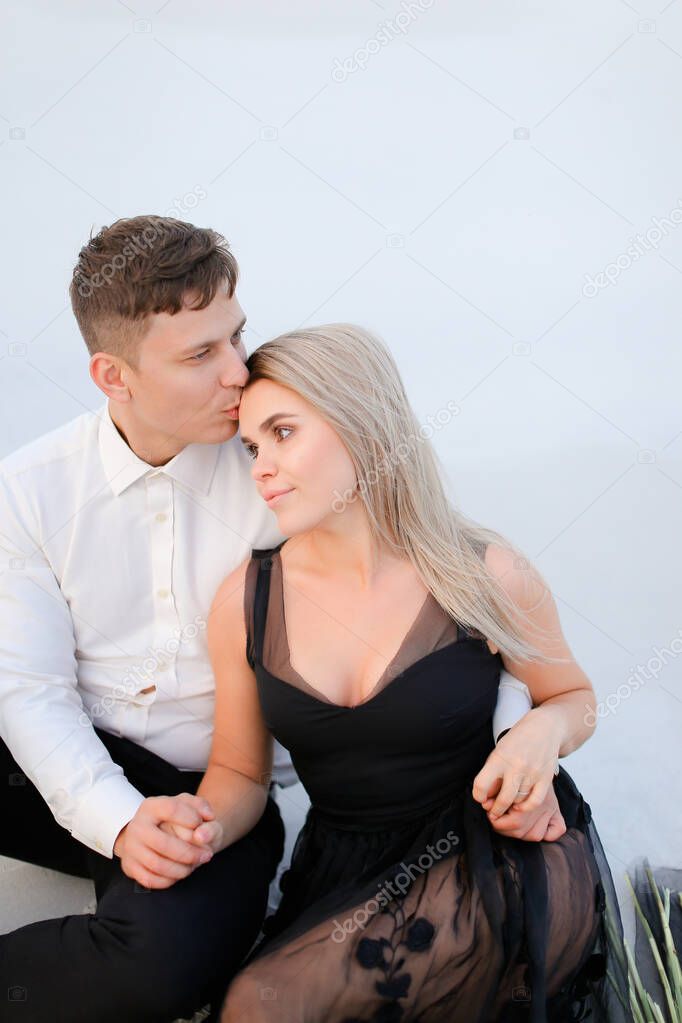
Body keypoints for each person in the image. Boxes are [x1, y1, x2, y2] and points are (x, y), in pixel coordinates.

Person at [0, 217, 539, 1023]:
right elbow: (29, 693)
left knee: (164, 969)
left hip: (212, 789)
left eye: (235, 336)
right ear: (113, 376)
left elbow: (419, 585)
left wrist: (515, 731)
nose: (236, 371)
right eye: (199, 355)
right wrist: (114, 820)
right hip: (65, 767)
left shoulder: (278, 468)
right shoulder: (30, 489)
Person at [172, 324, 634, 1022]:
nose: (261, 465)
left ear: (358, 419)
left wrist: (539, 730)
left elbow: (574, 696)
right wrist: (192, 829)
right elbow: (240, 771)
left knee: (258, 1005)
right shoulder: (247, 597)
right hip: (347, 869)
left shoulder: (483, 571)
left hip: (491, 849)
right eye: (251, 447)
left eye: (284, 433)